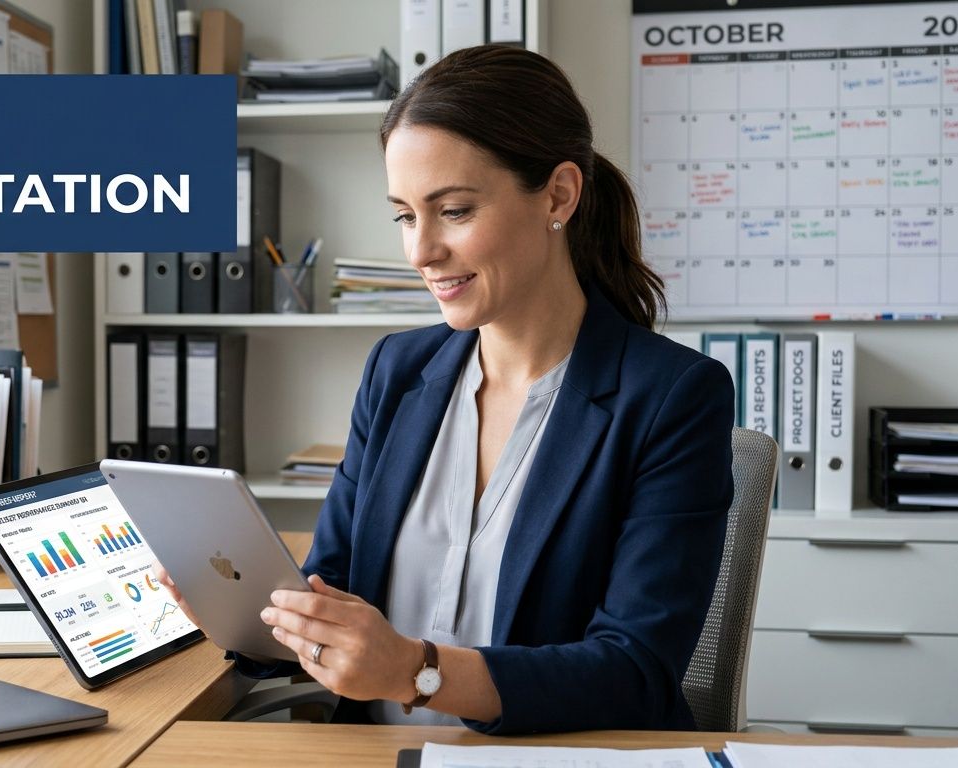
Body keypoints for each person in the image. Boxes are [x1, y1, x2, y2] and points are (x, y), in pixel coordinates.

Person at [155, 44, 734, 735]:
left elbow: (634, 672)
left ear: (558, 195)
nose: (420, 251)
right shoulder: (397, 373)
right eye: (404, 215)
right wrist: (248, 612)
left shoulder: (671, 396)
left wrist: (412, 671)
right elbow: (330, 592)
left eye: (453, 211)